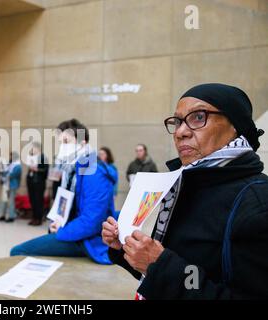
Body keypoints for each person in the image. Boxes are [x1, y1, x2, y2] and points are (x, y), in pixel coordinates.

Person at [103, 83, 268, 299]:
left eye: (198, 117)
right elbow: (166, 274)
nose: (180, 132)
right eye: (178, 121)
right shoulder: (182, 185)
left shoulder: (258, 204)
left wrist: (159, 266)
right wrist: (125, 248)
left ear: (234, 126)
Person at [11, 119, 117, 265]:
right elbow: (66, 206)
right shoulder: (72, 169)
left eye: (66, 142)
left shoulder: (94, 171)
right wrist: (57, 222)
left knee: (17, 251)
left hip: (90, 241)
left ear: (82, 143)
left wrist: (61, 231)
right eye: (60, 143)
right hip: (77, 232)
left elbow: (91, 221)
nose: (62, 148)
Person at [26, 142, 49, 226]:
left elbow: (46, 170)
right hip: (31, 180)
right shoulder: (31, 157)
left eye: (33, 148)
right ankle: (34, 217)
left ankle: (39, 218)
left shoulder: (43, 157)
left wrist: (37, 170)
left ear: (38, 148)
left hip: (39, 182)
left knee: (38, 200)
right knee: (32, 200)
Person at [0, 152, 22, 223]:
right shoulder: (10, 164)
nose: (10, 157)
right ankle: (3, 215)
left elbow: (14, 175)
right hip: (6, 185)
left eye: (11, 156)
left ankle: (11, 216)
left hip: (13, 185)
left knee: (11, 201)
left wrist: (6, 176)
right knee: (4, 200)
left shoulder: (18, 165)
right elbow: (5, 172)